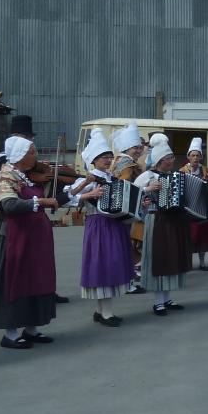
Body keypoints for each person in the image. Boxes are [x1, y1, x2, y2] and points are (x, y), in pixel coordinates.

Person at [0, 136, 69, 349]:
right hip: (17, 237)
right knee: (15, 280)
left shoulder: (24, 175)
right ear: (21, 155)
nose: (36, 155)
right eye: (32, 151)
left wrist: (73, 191)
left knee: (37, 278)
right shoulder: (7, 176)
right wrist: (39, 202)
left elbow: (47, 200)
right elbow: (9, 205)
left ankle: (32, 327)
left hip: (35, 237)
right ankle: (10, 333)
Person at [67, 127, 132, 327]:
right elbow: (68, 197)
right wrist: (87, 195)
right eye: (103, 156)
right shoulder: (88, 178)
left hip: (114, 225)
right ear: (94, 159)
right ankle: (106, 313)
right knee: (102, 265)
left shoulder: (112, 178)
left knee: (111, 264)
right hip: (98, 225)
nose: (106, 159)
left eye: (109, 156)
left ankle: (101, 311)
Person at [133, 135, 192, 316]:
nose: (172, 161)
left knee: (170, 260)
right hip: (155, 219)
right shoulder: (147, 176)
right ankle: (158, 302)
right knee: (159, 260)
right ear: (160, 160)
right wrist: (147, 190)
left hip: (172, 221)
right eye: (169, 158)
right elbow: (132, 194)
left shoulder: (175, 176)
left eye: (172, 158)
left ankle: (167, 298)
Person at [109, 120, 148, 293]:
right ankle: (129, 282)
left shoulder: (117, 161)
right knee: (129, 245)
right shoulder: (128, 165)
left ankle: (128, 278)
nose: (139, 150)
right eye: (135, 148)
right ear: (127, 149)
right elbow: (125, 186)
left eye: (140, 147)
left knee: (126, 244)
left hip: (120, 209)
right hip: (128, 208)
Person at [180, 138, 208, 271]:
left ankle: (202, 262)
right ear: (188, 156)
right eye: (193, 155)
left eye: (198, 155)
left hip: (203, 205)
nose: (195, 158)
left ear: (201, 157)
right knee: (189, 235)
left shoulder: (206, 171)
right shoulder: (182, 171)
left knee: (203, 235)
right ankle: (188, 262)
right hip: (188, 207)